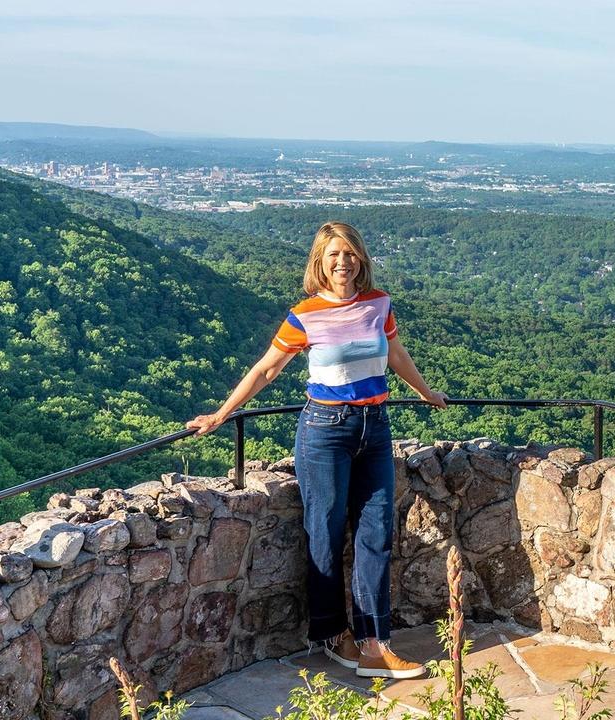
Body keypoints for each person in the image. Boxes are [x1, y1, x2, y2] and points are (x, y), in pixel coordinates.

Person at [187, 221, 447, 679]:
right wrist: (221, 414)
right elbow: (266, 371)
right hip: (324, 429)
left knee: (376, 533)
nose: (343, 262)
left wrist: (426, 392)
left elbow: (396, 355)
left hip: (376, 427)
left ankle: (373, 642)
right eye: (333, 255)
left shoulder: (378, 304)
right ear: (320, 263)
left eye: (349, 253)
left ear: (360, 258)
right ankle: (333, 636)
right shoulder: (304, 315)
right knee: (324, 534)